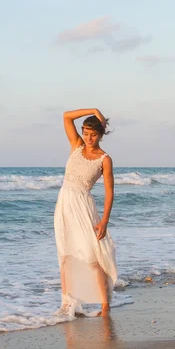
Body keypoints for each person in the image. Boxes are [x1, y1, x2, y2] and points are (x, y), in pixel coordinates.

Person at [54, 108, 118, 317]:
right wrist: (93, 110)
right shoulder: (76, 146)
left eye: (93, 134)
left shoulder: (104, 159)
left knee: (91, 255)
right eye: (86, 133)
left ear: (101, 135)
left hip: (83, 206)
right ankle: (67, 304)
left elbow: (109, 192)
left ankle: (105, 304)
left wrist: (104, 221)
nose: (89, 138)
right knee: (66, 254)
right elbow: (66, 116)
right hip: (64, 204)